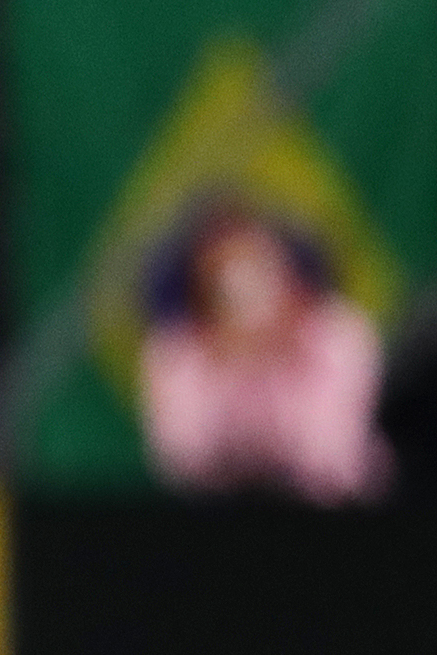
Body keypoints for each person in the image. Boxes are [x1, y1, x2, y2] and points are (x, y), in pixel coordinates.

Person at [139, 206, 388, 505]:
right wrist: (229, 363)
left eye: (260, 270)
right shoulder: (176, 350)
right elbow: (183, 458)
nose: (247, 293)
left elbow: (330, 460)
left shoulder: (338, 335)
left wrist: (284, 355)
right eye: (224, 281)